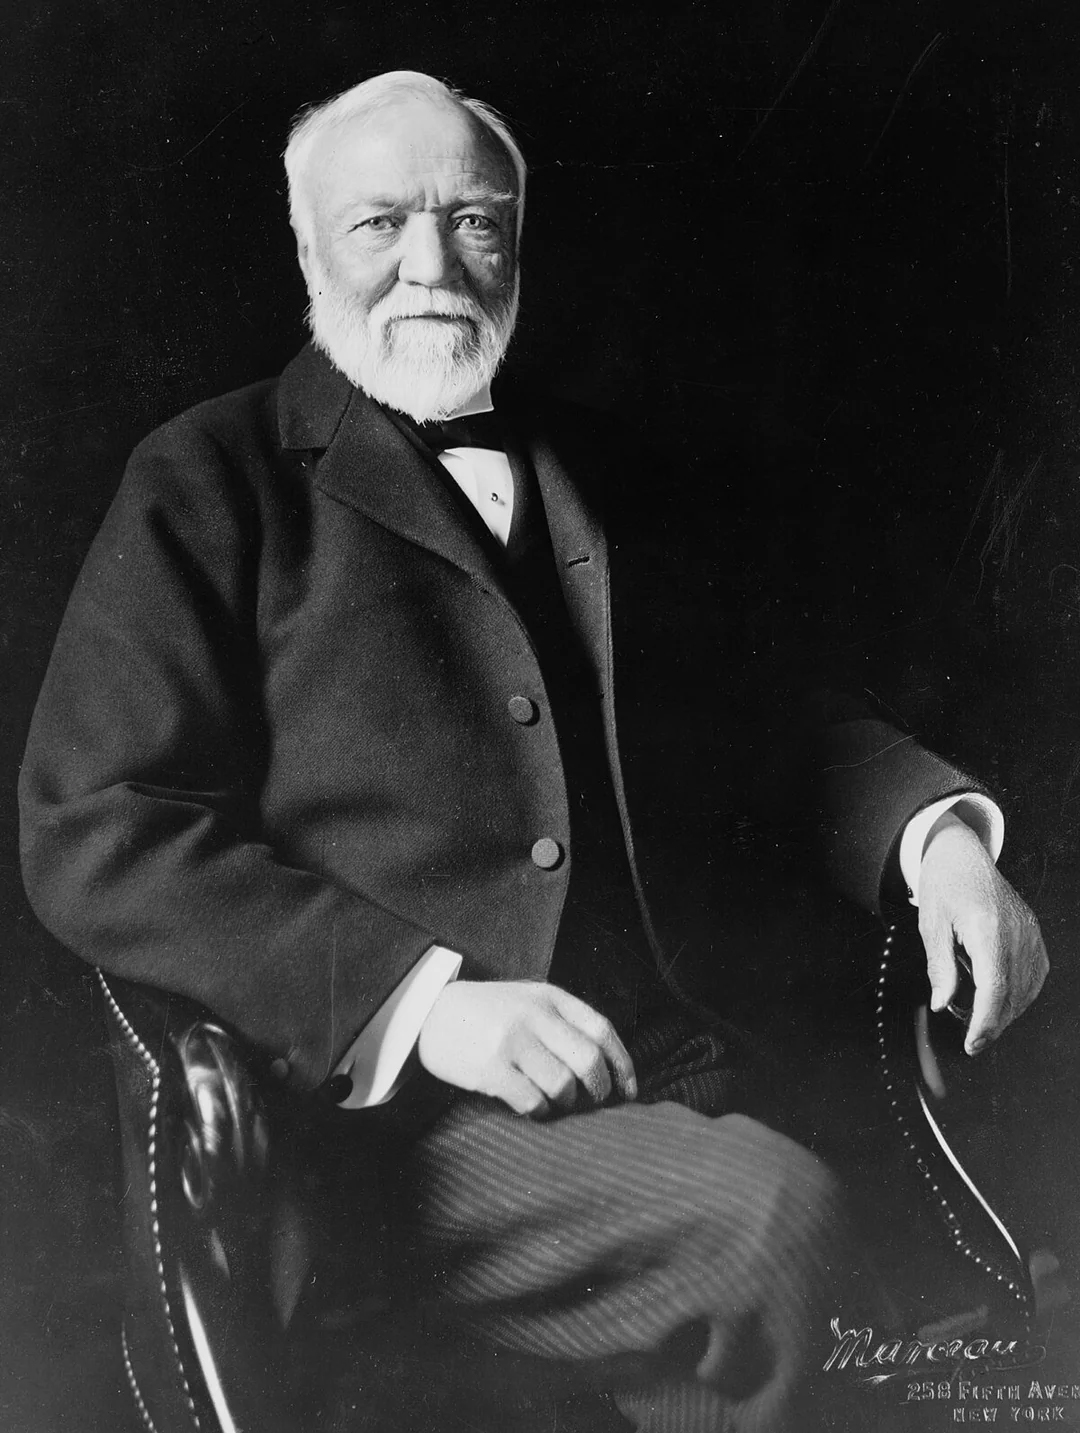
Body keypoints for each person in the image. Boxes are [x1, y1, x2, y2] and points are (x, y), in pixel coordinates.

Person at [18, 71, 1048, 1432]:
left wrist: (942, 835)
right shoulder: (206, 476)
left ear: (519, 238)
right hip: (390, 1142)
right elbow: (96, 820)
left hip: (684, 1059)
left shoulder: (595, 460)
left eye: (475, 222)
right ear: (307, 244)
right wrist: (425, 1000)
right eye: (380, 223)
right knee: (774, 1230)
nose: (434, 265)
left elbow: (776, 723)